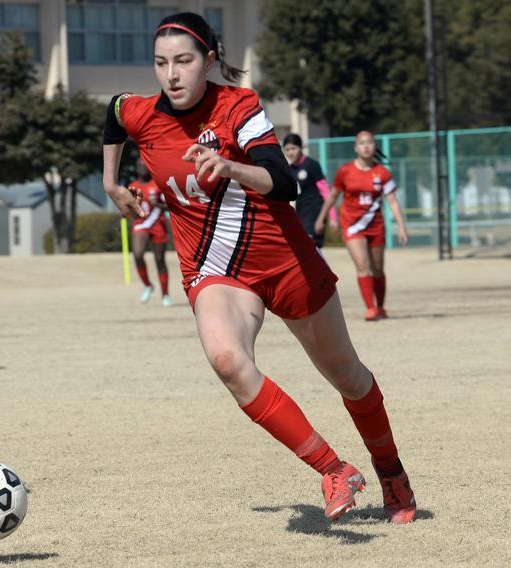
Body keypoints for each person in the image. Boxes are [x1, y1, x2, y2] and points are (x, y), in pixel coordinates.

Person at [102, 12, 416, 524]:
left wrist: (230, 167)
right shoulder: (141, 112)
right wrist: (112, 183)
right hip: (214, 267)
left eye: (183, 61)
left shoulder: (238, 105)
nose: (172, 74)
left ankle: (392, 474)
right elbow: (113, 113)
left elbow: (284, 180)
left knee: (348, 377)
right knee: (227, 360)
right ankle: (334, 469)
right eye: (161, 63)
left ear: (209, 60)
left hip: (285, 260)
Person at [315, 131, 409, 321]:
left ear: (375, 146)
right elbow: (333, 196)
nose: (366, 146)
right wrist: (322, 218)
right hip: (352, 225)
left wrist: (401, 226)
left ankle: (381, 307)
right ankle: (370, 308)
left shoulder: (382, 173)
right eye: (362, 143)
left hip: (376, 225)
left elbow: (392, 201)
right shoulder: (345, 171)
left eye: (370, 143)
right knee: (362, 265)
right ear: (356, 147)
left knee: (378, 269)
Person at [129, 157, 172, 306]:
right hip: (141, 224)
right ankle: (147, 284)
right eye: (139, 165)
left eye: (144, 165)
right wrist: (128, 210)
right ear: (136, 168)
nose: (142, 168)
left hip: (157, 223)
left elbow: (171, 205)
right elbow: (130, 211)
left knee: (159, 260)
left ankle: (165, 294)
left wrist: (158, 205)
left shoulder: (158, 184)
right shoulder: (133, 187)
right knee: (138, 254)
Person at [282, 133, 336, 248]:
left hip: (315, 214)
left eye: (293, 148)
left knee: (311, 248)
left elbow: (326, 192)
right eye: (287, 149)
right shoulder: (290, 169)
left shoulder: (311, 165)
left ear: (301, 148)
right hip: (300, 214)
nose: (291, 152)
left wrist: (332, 217)